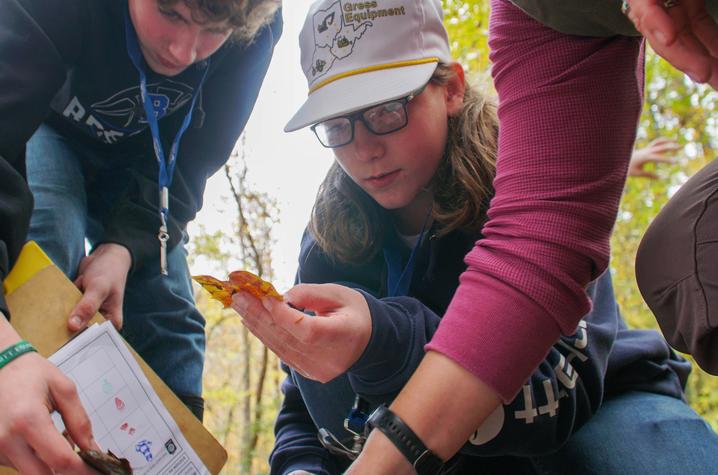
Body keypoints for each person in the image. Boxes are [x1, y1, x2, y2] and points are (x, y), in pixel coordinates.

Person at [231, 1, 718, 473]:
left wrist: (384, 343)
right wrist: (300, 467)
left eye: (386, 111)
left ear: (452, 89)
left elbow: (564, 392)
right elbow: (302, 399)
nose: (364, 148)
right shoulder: (327, 244)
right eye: (337, 125)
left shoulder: (537, 190)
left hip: (604, 407)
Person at [0, 0, 281, 471]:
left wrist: (127, 247)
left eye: (214, 30)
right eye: (171, 13)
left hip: (149, 169)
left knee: (168, 305)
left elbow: (195, 160)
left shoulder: (253, 29)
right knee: (47, 234)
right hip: (43, 127)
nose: (185, 51)